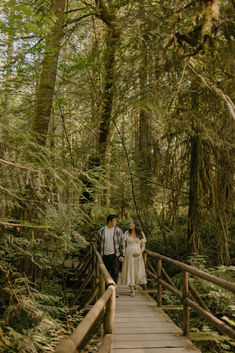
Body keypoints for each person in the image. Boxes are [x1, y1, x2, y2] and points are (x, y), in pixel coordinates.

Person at [97, 214, 125, 296]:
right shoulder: (101, 230)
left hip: (115, 255)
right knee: (106, 273)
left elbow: (122, 244)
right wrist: (99, 255)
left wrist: (122, 255)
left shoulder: (118, 231)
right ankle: (106, 290)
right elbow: (98, 243)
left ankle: (114, 291)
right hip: (104, 255)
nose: (116, 222)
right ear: (109, 221)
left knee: (115, 273)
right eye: (114, 220)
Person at [121, 219, 147, 297]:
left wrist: (140, 252)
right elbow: (123, 245)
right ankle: (132, 290)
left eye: (132, 223)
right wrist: (123, 255)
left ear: (136, 225)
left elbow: (143, 246)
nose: (130, 224)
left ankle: (134, 283)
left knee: (137, 271)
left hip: (137, 255)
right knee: (130, 271)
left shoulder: (140, 234)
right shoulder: (126, 233)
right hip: (129, 254)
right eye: (130, 223)